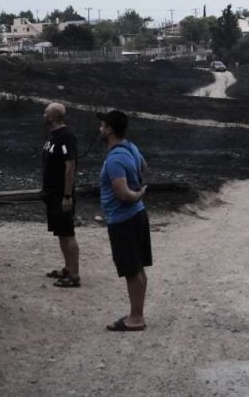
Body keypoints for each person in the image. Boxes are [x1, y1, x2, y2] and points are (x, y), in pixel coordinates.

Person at [97, 109, 151, 331]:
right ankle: (137, 313)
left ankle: (136, 319)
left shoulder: (115, 159)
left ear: (109, 129)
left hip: (124, 219)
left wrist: (137, 193)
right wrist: (135, 181)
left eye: (102, 126)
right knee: (137, 268)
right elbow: (144, 167)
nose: (99, 129)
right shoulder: (130, 148)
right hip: (138, 215)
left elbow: (123, 194)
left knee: (131, 270)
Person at [41, 101, 80, 288]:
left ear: (53, 117)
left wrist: (67, 196)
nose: (43, 115)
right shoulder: (53, 136)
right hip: (52, 194)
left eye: (45, 112)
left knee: (68, 232)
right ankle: (67, 268)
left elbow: (70, 166)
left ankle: (74, 275)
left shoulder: (66, 137)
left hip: (61, 195)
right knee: (60, 233)